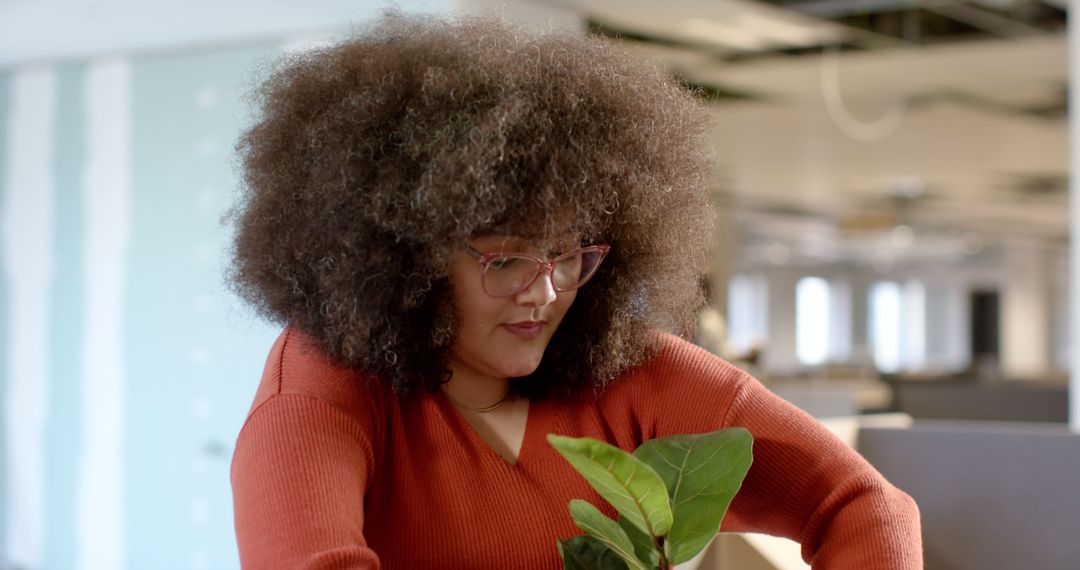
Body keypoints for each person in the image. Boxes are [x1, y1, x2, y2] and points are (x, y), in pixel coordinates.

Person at [228, 12, 922, 569]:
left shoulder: (633, 373)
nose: (546, 292)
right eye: (505, 261)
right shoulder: (323, 388)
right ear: (405, 256)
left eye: (570, 257)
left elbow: (864, 506)